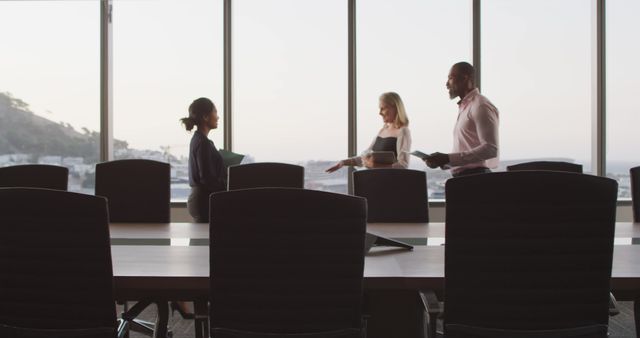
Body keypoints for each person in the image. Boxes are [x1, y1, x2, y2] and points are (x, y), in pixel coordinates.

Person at [425, 62, 499, 177]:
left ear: (465, 78)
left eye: (450, 78)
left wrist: (448, 158)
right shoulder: (466, 107)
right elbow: (465, 151)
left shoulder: (481, 105)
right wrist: (444, 162)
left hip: (476, 179)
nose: (446, 84)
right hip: (466, 178)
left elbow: (490, 149)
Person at [326, 92, 411, 173]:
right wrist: (343, 162)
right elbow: (365, 158)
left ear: (395, 108)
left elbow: (403, 165)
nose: (380, 113)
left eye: (383, 108)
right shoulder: (382, 131)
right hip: (374, 181)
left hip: (390, 184)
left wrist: (376, 166)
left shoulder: (403, 131)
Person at [180, 97, 226, 223]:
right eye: (215, 112)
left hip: (200, 200)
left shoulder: (198, 140)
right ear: (206, 117)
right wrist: (227, 185)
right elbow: (207, 177)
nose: (218, 117)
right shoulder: (203, 142)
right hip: (204, 202)